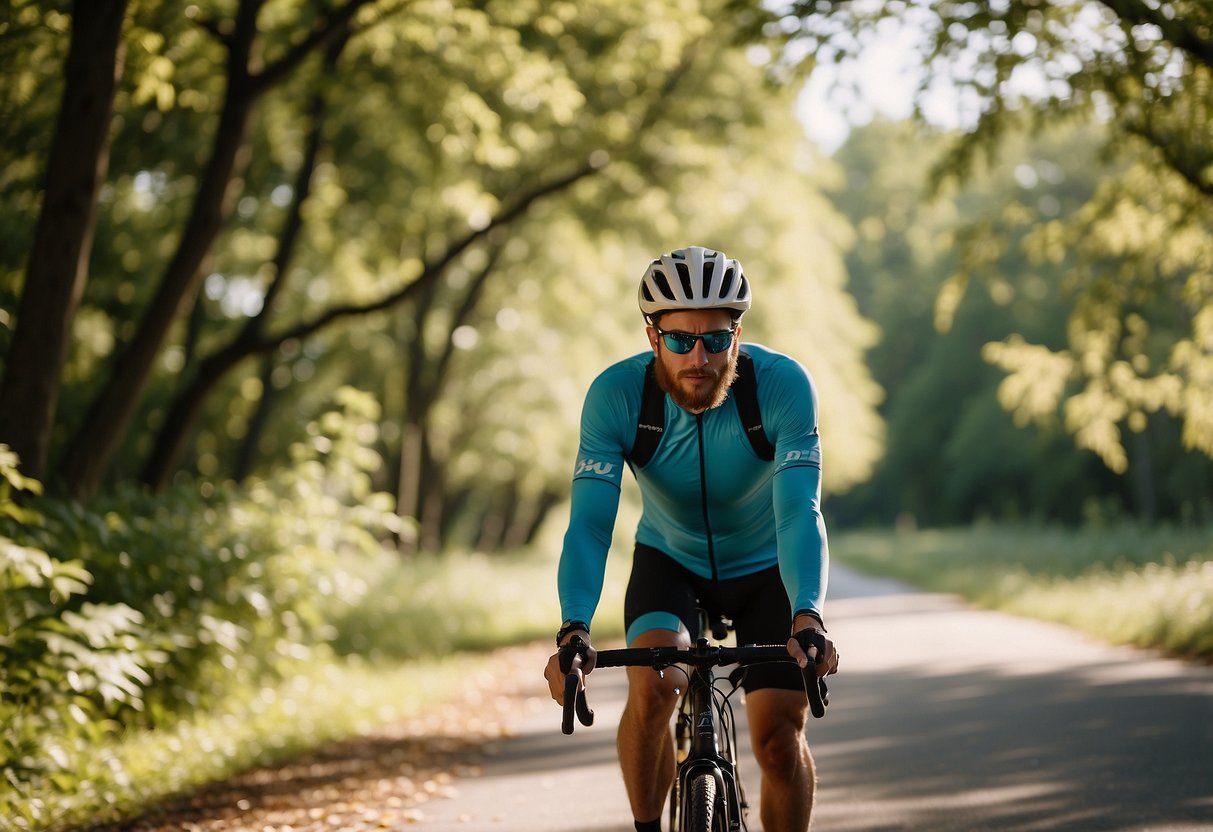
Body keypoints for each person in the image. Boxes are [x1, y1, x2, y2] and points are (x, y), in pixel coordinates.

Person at [543, 245, 840, 832]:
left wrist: (808, 615)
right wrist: (575, 626)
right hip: (669, 560)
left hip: (767, 571)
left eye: (715, 339)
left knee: (779, 740)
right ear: (654, 337)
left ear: (737, 335)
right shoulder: (617, 396)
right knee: (653, 691)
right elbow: (590, 526)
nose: (699, 357)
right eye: (681, 340)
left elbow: (799, 512)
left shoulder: (780, 386)